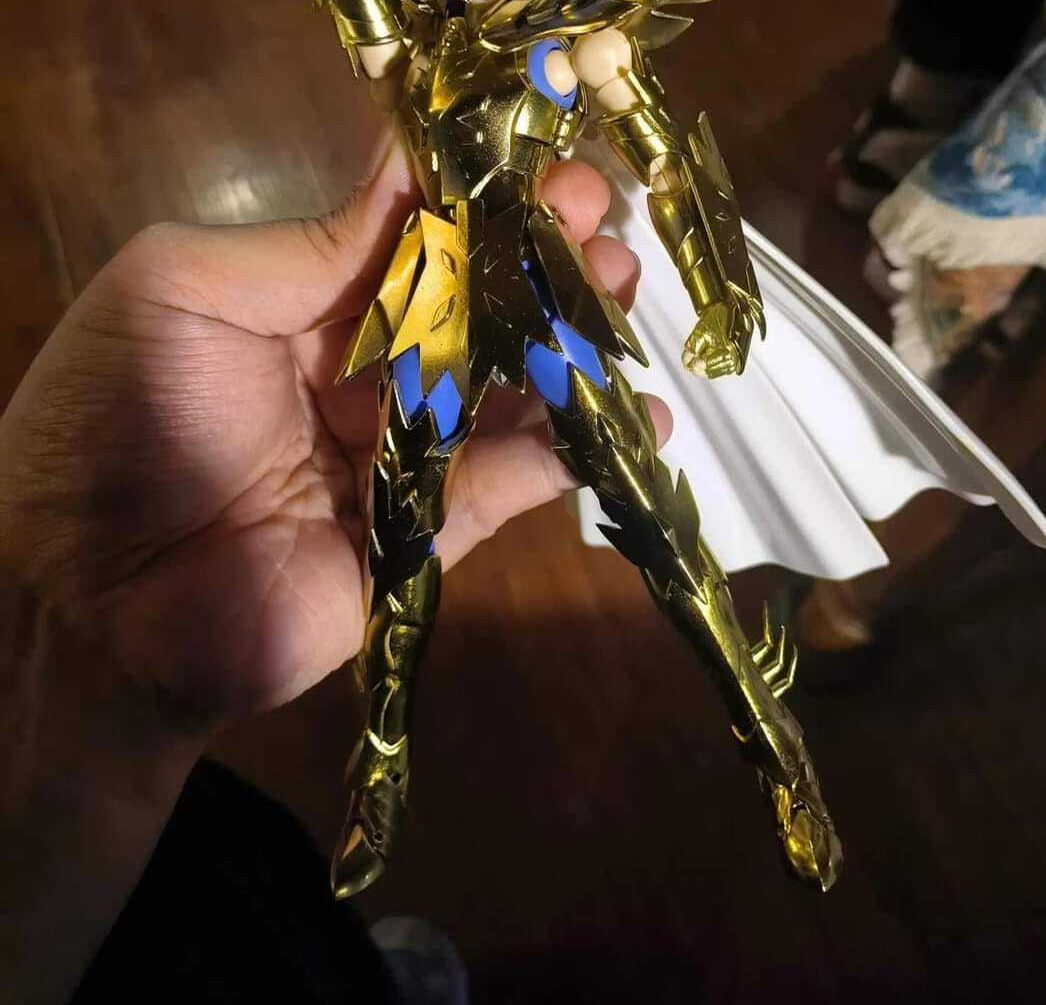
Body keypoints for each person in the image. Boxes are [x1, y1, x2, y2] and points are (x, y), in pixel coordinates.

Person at [0, 140, 647, 1005]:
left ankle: (351, 962)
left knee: (268, 914)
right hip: (109, 887)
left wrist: (82, 686)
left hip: (127, 855)